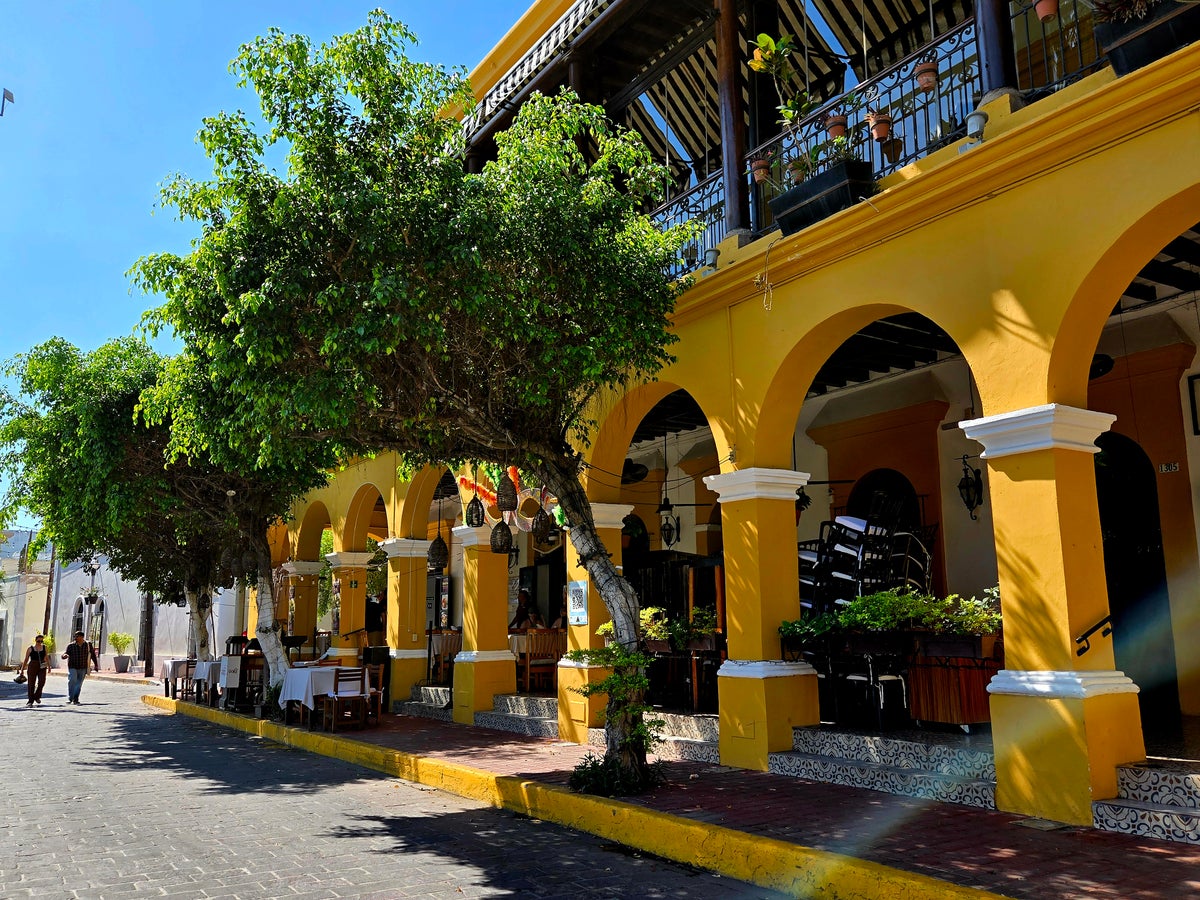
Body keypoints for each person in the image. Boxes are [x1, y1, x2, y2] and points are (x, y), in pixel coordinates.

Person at [62, 630, 96, 705]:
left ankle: (76, 698)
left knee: (79, 683)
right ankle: (70, 697)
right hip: (73, 666)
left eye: (77, 636)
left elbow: (92, 654)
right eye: (75, 636)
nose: (75, 638)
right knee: (72, 681)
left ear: (81, 637)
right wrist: (64, 656)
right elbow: (66, 653)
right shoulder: (71, 645)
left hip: (83, 667)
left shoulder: (88, 645)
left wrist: (96, 665)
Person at [18, 634, 49, 707]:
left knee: (42, 682)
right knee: (31, 683)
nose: (40, 642)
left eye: (41, 641)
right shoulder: (30, 648)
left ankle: (37, 696)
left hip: (42, 666)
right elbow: (26, 659)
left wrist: (49, 666)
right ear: (35, 640)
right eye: (38, 641)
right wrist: (22, 669)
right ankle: (30, 700)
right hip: (32, 665)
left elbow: (46, 657)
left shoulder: (44, 648)